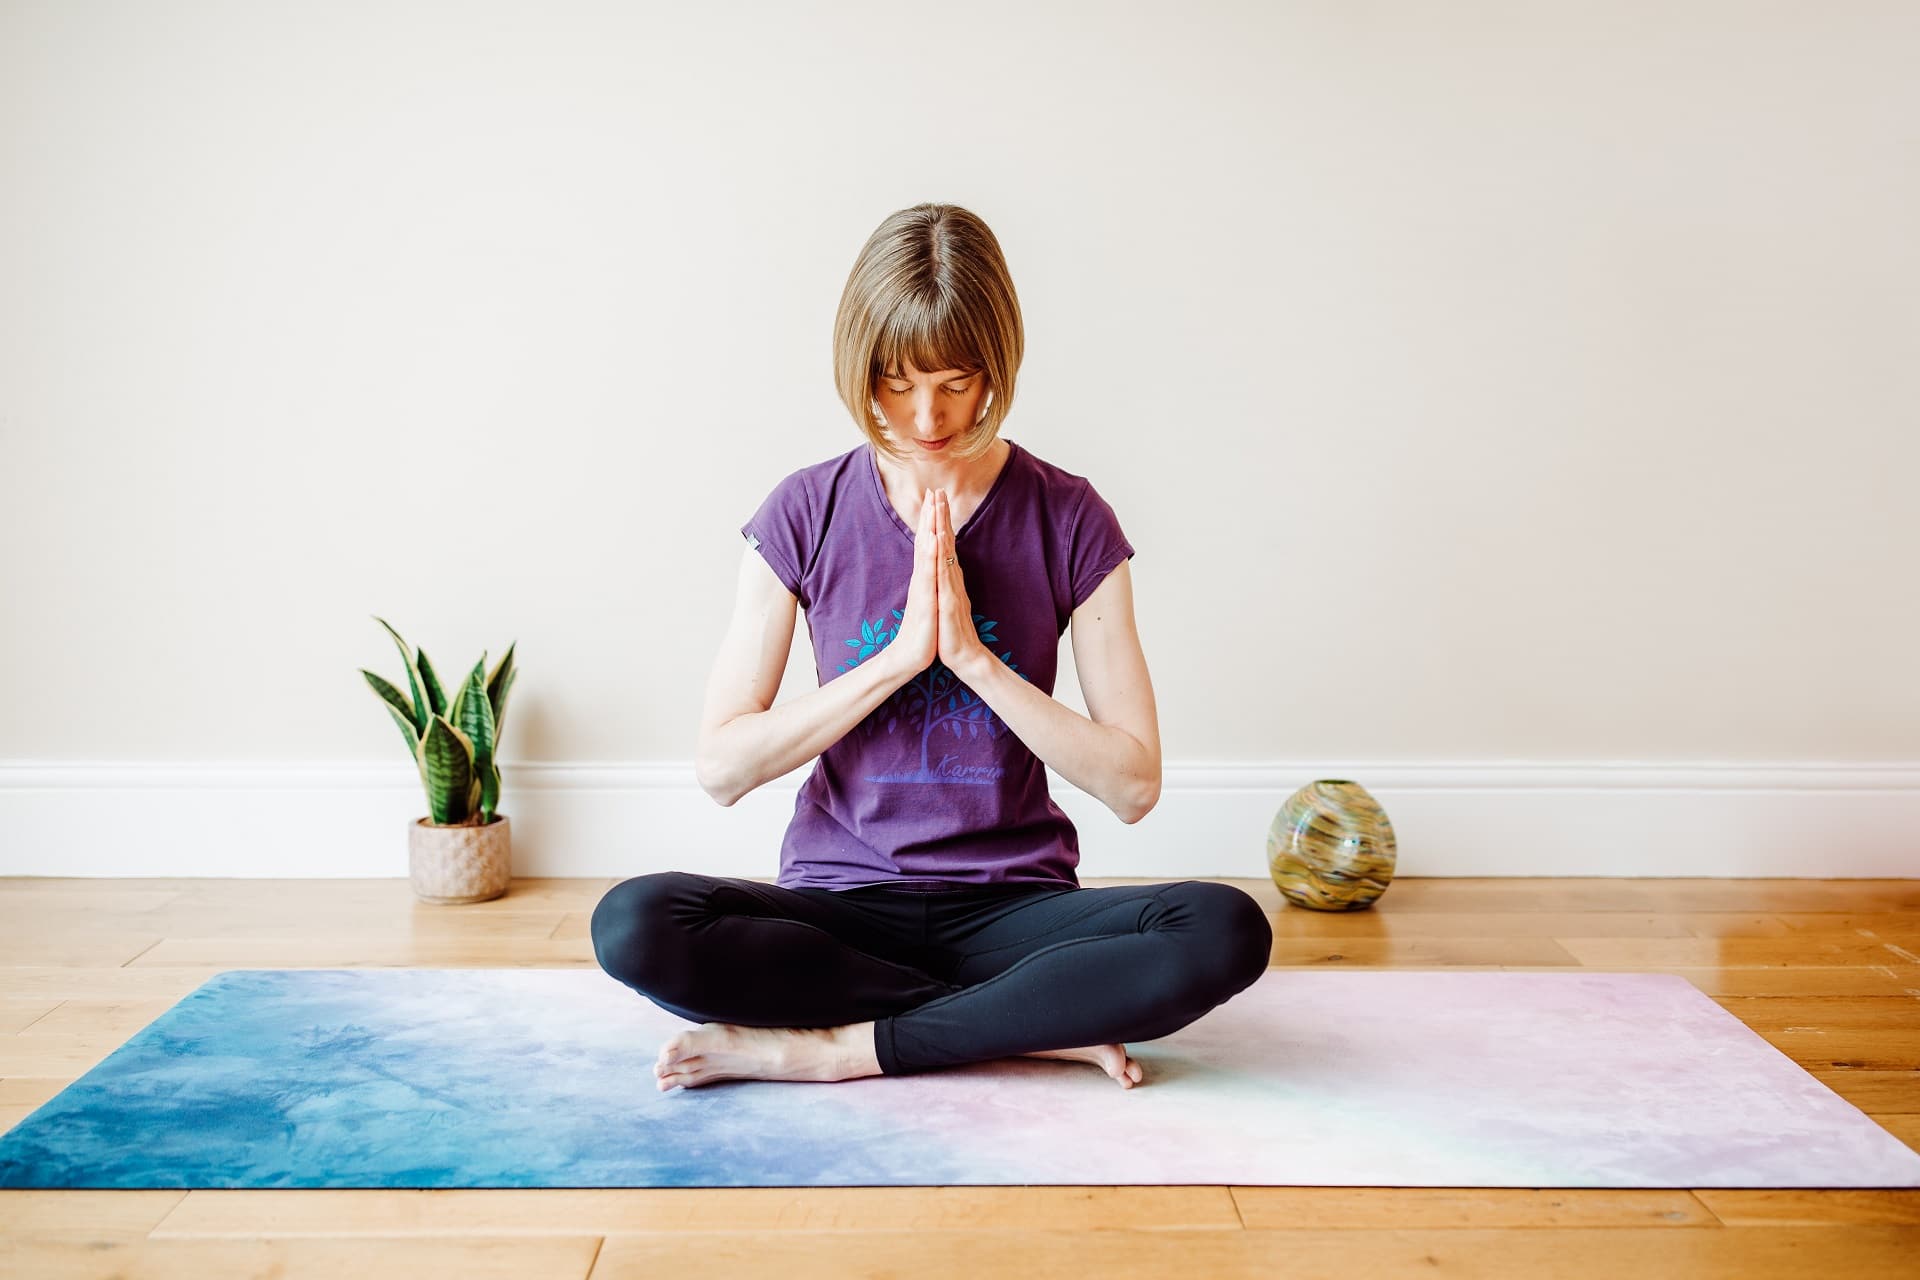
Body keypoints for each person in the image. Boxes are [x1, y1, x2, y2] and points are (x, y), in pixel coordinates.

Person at [590, 203, 1271, 1091]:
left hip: (1014, 909)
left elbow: (1134, 786)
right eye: (896, 382)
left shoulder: (1069, 518)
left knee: (1226, 929)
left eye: (955, 382)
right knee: (635, 922)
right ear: (858, 367)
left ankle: (846, 1047)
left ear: (997, 368)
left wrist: (977, 664)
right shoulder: (803, 512)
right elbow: (722, 769)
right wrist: (901, 658)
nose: (924, 416)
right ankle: (1018, 1019)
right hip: (838, 911)